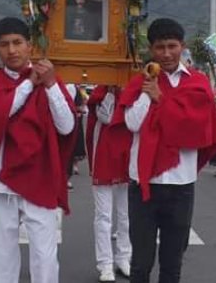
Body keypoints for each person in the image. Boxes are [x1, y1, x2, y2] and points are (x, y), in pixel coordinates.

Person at [0, 17, 76, 283]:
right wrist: (30, 83)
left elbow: (67, 126)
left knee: (45, 255)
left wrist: (49, 84)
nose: (12, 50)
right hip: (0, 182)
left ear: (29, 45)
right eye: (4, 45)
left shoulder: (50, 80)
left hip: (40, 177)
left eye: (17, 43)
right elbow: (3, 110)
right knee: (0, 254)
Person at [118, 18, 216, 283]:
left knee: (172, 264)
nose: (166, 54)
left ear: (182, 46)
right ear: (151, 49)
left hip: (180, 184)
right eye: (160, 47)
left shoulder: (198, 83)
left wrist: (162, 100)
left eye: (172, 46)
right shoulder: (140, 82)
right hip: (143, 184)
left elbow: (195, 131)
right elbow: (132, 124)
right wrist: (148, 91)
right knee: (140, 263)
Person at [87, 84, 133, 282]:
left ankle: (124, 257)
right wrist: (112, 92)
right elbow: (106, 116)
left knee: (126, 214)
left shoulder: (133, 88)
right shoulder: (101, 91)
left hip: (127, 154)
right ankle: (105, 264)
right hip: (104, 155)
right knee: (103, 215)